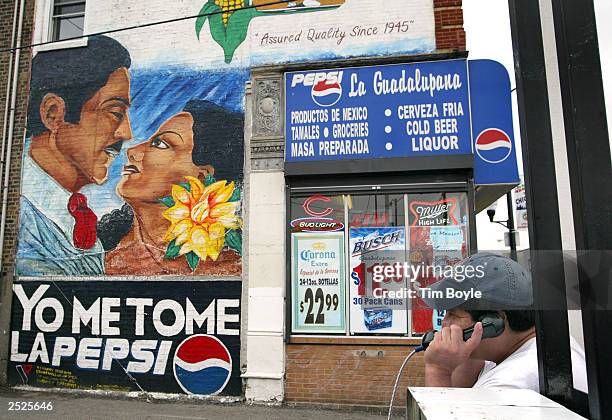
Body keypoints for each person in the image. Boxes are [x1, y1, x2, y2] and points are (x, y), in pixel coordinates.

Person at [17, 36, 132, 276]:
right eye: (114, 112)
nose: (126, 133)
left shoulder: (75, 219)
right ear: (53, 114)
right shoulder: (22, 219)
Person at [101, 99, 244, 275]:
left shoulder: (228, 268)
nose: (133, 151)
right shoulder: (100, 254)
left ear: (200, 177)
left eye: (161, 144)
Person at [422, 252, 588, 392]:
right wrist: (463, 350)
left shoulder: (510, 385)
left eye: (453, 314)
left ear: (494, 322)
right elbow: (464, 387)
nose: (445, 323)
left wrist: (439, 370)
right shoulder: (546, 347)